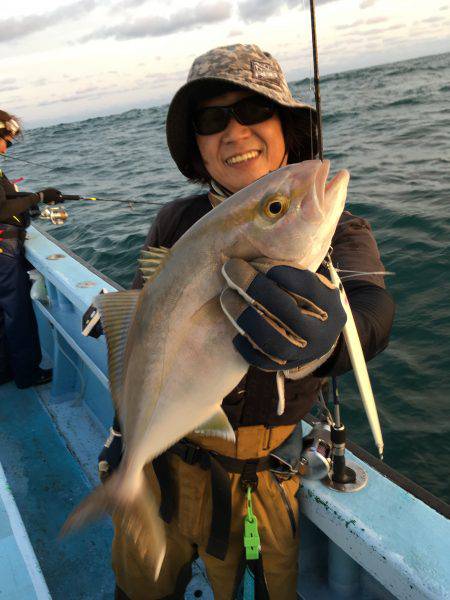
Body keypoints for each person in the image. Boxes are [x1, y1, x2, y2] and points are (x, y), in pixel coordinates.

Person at [100, 44, 395, 599]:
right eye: (212, 120)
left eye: (254, 111)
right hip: (163, 459)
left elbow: (373, 311)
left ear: (286, 125)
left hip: (263, 473)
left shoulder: (337, 227)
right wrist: (126, 434)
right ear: (198, 148)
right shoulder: (175, 222)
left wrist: (322, 345)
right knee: (140, 587)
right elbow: (144, 327)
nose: (235, 133)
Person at [0, 109, 61, 388]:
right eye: (7, 141)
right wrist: (37, 196)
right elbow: (2, 208)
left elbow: (7, 196)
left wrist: (28, 197)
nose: (6, 148)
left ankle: (5, 371)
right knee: (16, 311)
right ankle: (26, 373)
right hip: (4, 249)